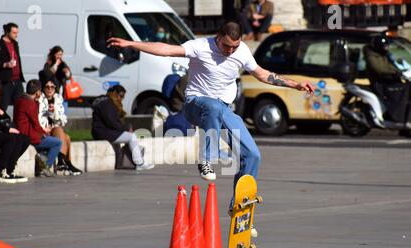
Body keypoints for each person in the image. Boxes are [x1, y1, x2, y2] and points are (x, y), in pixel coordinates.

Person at [107, 21, 314, 215]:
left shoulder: (241, 51)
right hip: (195, 105)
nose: (230, 51)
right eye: (226, 46)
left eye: (234, 47)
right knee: (213, 106)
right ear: (218, 37)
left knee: (252, 155)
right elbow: (166, 49)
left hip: (222, 110)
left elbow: (263, 74)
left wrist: (294, 84)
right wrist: (132, 44)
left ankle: (239, 209)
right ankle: (206, 159)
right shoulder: (200, 46)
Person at [91, 85, 154, 170]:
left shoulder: (108, 103)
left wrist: (126, 128)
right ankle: (139, 163)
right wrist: (126, 128)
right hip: (103, 132)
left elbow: (114, 122)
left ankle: (137, 162)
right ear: (114, 93)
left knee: (130, 136)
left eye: (123, 97)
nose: (121, 99)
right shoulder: (106, 104)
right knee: (131, 137)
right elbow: (111, 122)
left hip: (104, 131)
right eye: (120, 96)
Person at [14, 79, 62, 177]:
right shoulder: (29, 103)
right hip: (29, 135)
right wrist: (44, 132)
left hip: (22, 132)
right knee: (57, 142)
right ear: (38, 92)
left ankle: (42, 160)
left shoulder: (20, 100)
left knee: (49, 141)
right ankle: (45, 168)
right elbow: (35, 123)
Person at [38, 78, 82, 175]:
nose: (49, 89)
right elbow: (39, 118)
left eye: (52, 87)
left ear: (55, 88)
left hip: (54, 129)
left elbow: (63, 120)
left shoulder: (58, 99)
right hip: (43, 129)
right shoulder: (40, 100)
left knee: (63, 134)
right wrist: (49, 116)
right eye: (47, 87)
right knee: (64, 136)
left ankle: (64, 162)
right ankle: (64, 162)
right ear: (43, 88)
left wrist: (53, 113)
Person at [0, 22, 25, 112]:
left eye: (17, 33)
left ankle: (16, 126)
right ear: (7, 32)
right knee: (1, 108)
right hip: (5, 82)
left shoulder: (15, 44)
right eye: (14, 33)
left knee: (20, 108)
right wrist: (5, 64)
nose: (16, 35)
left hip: (17, 81)